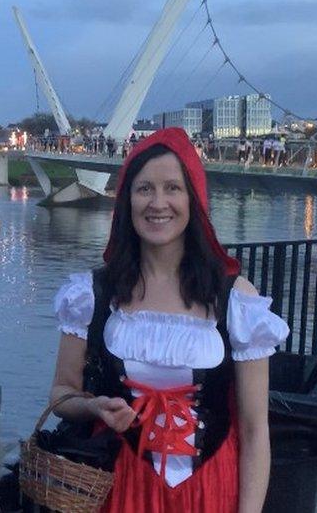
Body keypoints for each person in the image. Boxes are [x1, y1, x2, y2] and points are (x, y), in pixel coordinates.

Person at [49, 128, 288, 512]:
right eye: (144, 189)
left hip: (210, 489)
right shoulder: (94, 293)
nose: (158, 203)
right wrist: (94, 408)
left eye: (172, 188)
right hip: (120, 487)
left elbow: (255, 429)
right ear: (126, 199)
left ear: (193, 198)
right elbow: (61, 394)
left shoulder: (234, 299)